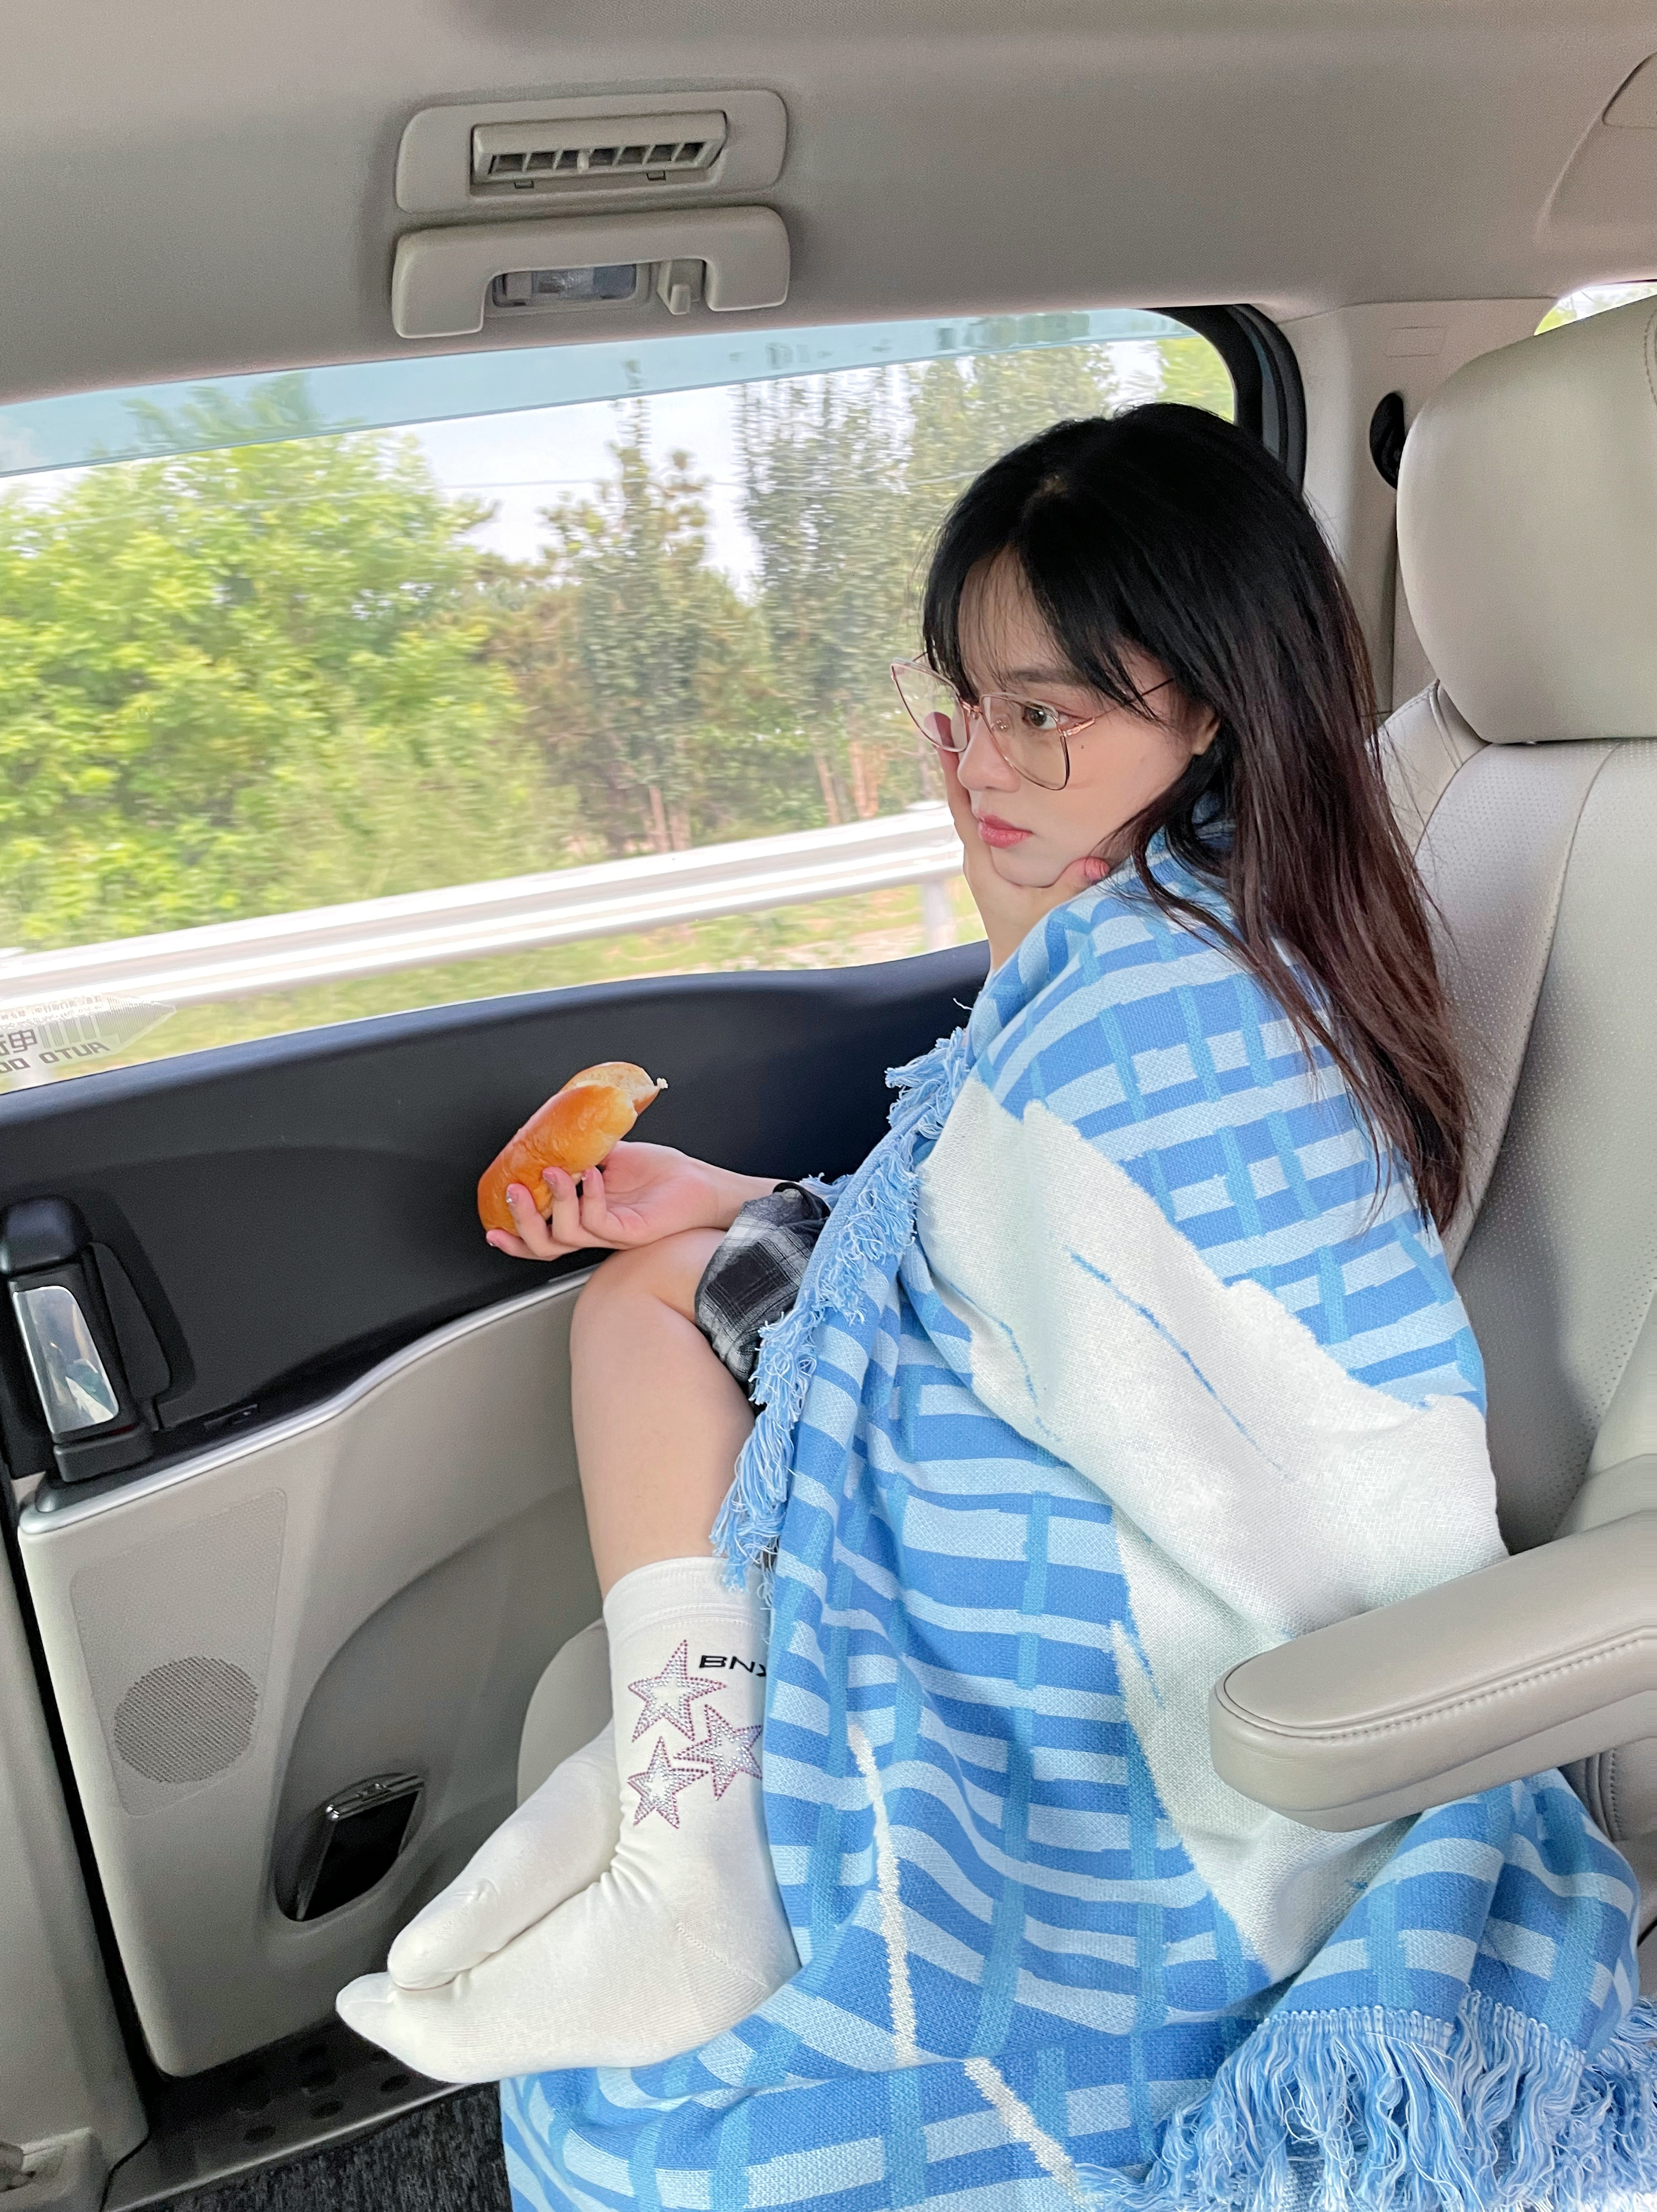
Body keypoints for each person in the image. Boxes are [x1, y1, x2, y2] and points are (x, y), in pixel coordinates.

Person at [340, 406, 1657, 2210]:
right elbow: (995, 1215)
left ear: (1216, 705)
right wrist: (729, 1199)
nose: (977, 761)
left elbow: (1191, 1352)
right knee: (646, 1288)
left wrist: (965, 988)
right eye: (962, 706)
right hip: (1037, 1424)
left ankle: (696, 1824)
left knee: (666, 2125)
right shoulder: (1170, 903)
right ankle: (689, 1812)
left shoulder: (1176, 986)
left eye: (1043, 714)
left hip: (1209, 1656)